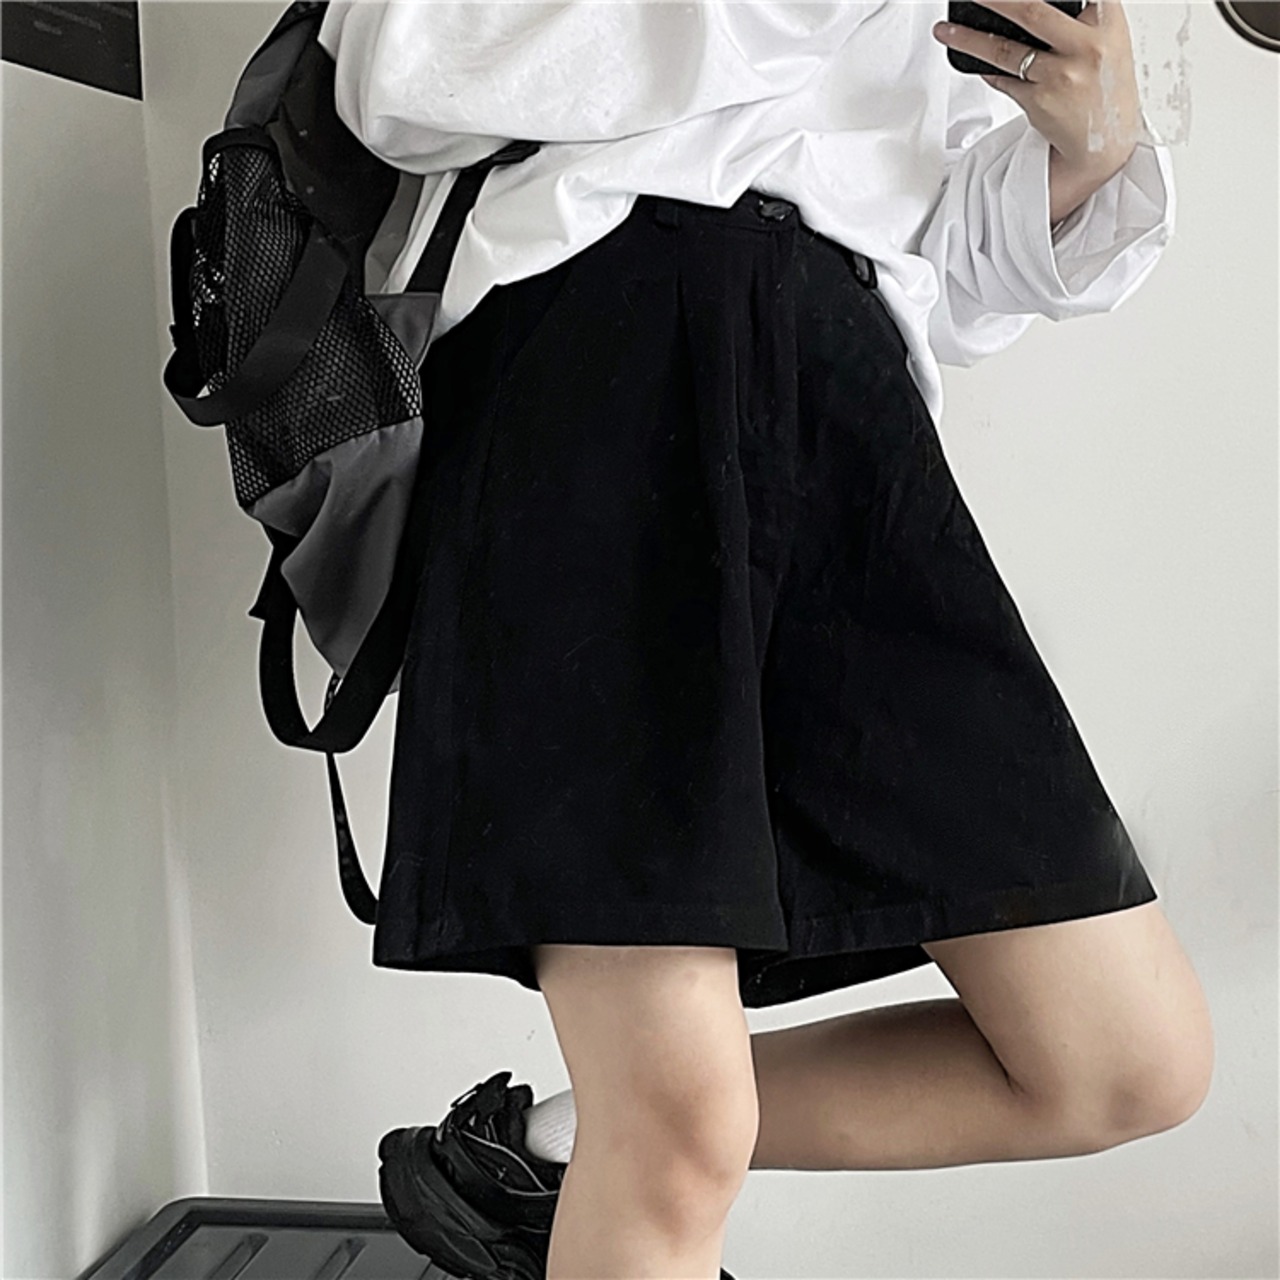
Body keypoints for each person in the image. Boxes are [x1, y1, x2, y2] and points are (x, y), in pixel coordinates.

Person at [317, 3, 1213, 1277]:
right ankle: (617, 1139)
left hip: (844, 391)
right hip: (601, 340)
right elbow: (399, 66)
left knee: (1124, 1060)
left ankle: (545, 1149)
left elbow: (938, 249)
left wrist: (1081, 149)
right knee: (676, 1130)